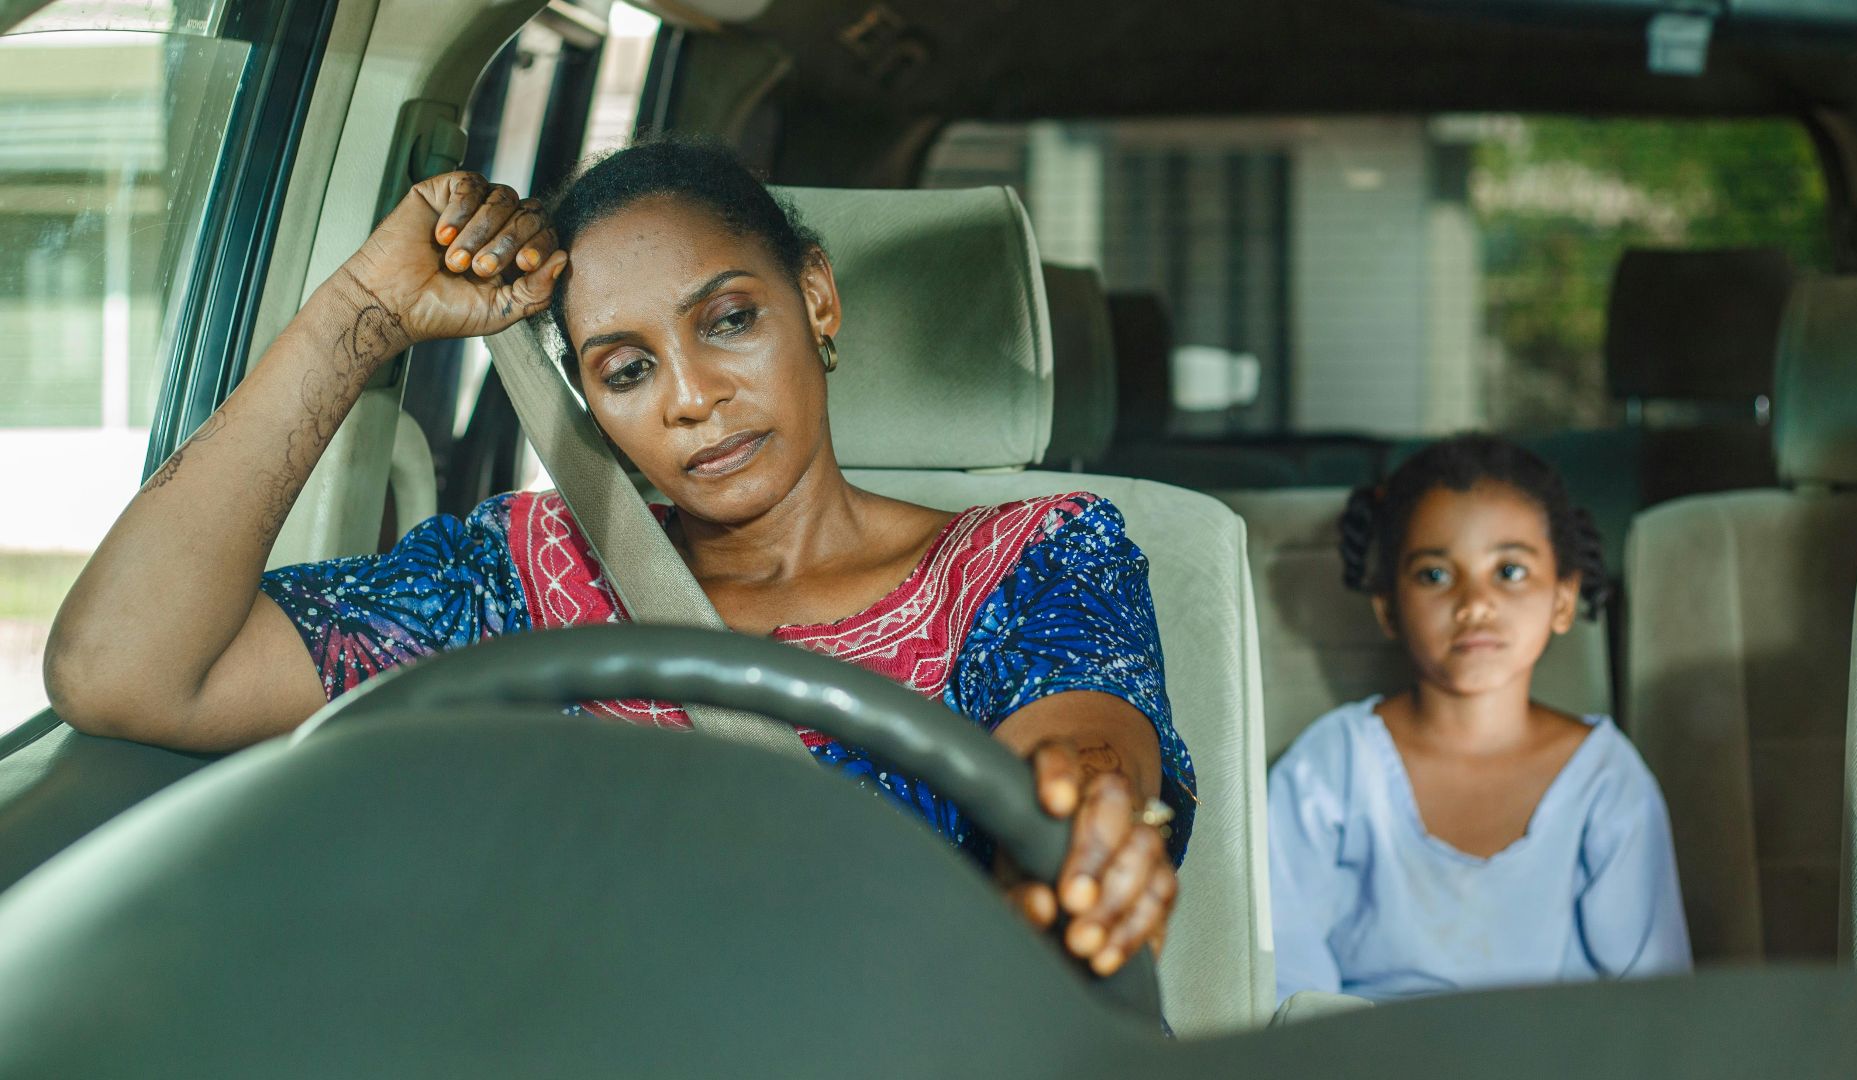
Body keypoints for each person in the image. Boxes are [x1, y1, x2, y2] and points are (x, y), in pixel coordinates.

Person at [45, 137, 1195, 979]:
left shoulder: (1032, 559)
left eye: (730, 319)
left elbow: (1080, 753)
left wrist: (1086, 829)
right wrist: (365, 307)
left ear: (818, 300)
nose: (693, 399)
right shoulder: (515, 577)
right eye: (627, 368)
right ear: (590, 398)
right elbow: (125, 669)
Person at [1266, 436, 1689, 1002]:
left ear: (1564, 600)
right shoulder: (1330, 770)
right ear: (1388, 607)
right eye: (1435, 576)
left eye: (1509, 571)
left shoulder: (1606, 781)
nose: (1474, 604)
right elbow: (1285, 981)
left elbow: (1653, 1002)